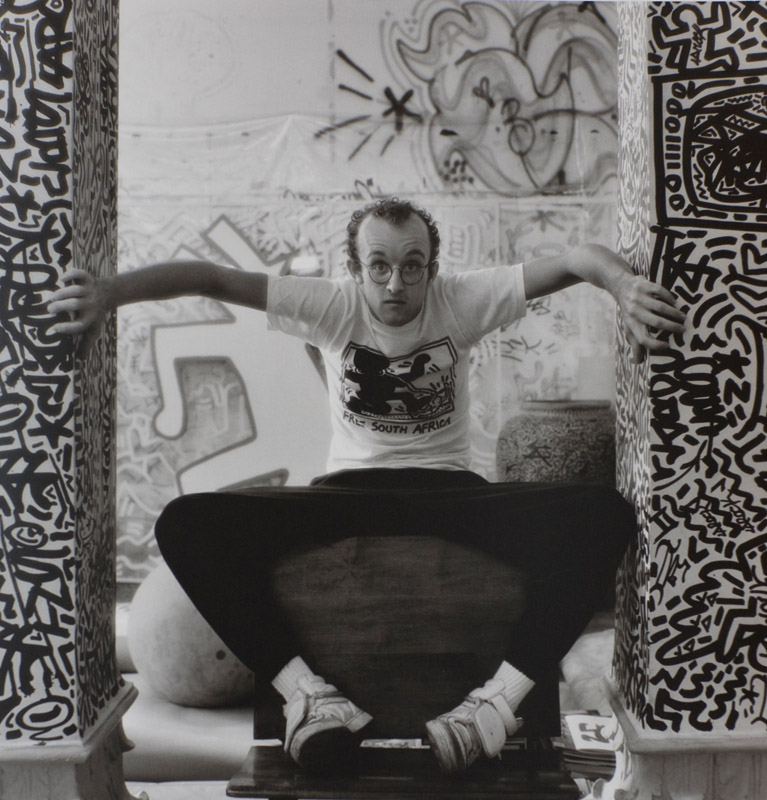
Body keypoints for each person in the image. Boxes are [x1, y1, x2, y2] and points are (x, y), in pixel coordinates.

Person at [48, 198, 686, 776]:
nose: (395, 284)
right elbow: (210, 279)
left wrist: (622, 284)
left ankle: (495, 704)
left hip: (450, 493)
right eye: (379, 266)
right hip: (347, 493)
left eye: (412, 267)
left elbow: (575, 260)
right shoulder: (331, 304)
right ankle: (307, 696)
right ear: (356, 269)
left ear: (432, 269)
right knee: (185, 522)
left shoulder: (461, 299)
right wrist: (109, 293)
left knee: (605, 514)